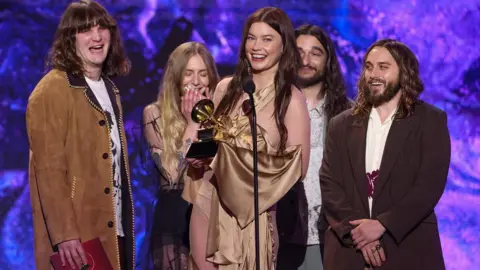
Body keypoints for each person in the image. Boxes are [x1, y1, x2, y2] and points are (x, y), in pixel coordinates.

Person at [184, 7, 311, 269]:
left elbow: (298, 168)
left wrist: (237, 162)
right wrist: (198, 156)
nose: (257, 46)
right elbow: (209, 142)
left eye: (267, 39)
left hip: (255, 215)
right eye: (251, 38)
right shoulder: (226, 88)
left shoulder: (291, 99)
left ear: (283, 45)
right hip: (210, 204)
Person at [319, 39, 451, 270]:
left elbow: (429, 186)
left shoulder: (430, 121)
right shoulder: (341, 124)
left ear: (404, 72)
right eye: (368, 67)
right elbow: (330, 184)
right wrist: (360, 235)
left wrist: (383, 225)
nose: (373, 74)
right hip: (350, 251)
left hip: (408, 248)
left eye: (383, 66)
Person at [25, 1, 134, 269]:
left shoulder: (110, 90)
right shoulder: (52, 90)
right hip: (77, 241)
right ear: (70, 39)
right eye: (85, 30)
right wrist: (66, 235)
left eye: (102, 28)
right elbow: (49, 170)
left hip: (113, 231)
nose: (96, 37)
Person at [277, 24, 352, 270]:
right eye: (299, 52)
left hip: (332, 234)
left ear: (328, 60)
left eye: (315, 53)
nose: (306, 60)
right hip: (282, 234)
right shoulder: (271, 109)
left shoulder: (350, 115)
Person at [143, 41, 219, 270]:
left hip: (213, 216)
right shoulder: (154, 113)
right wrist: (192, 123)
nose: (196, 81)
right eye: (188, 74)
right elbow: (171, 174)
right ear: (176, 78)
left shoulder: (220, 115)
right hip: (175, 219)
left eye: (203, 74)